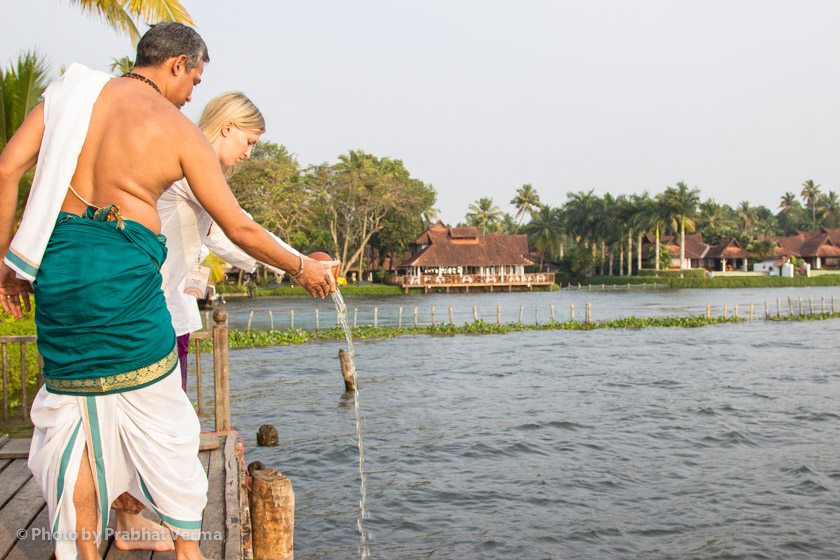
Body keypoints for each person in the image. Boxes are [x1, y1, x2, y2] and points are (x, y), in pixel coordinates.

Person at [0, 22, 336, 560]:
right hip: (127, 288)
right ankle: (187, 550)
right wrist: (302, 268)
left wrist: (6, 265)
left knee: (74, 423)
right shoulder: (175, 131)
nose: (191, 93)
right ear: (177, 64)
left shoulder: (71, 94)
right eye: (195, 80)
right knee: (169, 426)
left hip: (60, 277)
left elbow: (7, 167)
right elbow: (238, 228)